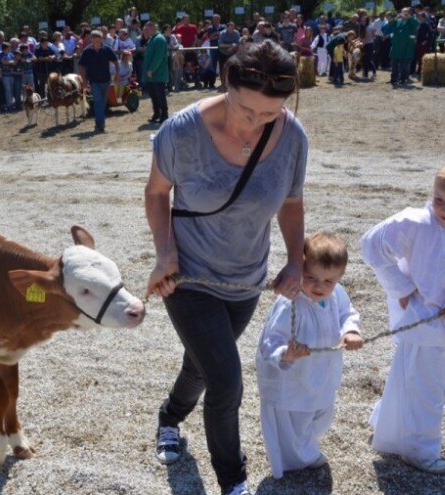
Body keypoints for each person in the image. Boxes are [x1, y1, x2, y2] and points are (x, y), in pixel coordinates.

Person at [145, 39, 307, 495]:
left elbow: (292, 203)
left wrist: (295, 261)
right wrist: (165, 253)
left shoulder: (293, 137)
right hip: (190, 277)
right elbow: (157, 193)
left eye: (269, 115)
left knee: (201, 366)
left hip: (246, 279)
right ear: (227, 82)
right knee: (227, 380)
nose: (255, 124)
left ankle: (169, 418)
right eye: (246, 110)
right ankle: (232, 480)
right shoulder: (180, 133)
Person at [361, 157, 445, 475]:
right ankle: (421, 448)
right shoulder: (416, 221)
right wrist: (402, 288)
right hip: (420, 320)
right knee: (426, 386)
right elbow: (371, 245)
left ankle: (389, 424)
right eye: (440, 200)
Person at [255, 232, 363, 479]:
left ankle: (306, 449)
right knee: (293, 422)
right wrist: (286, 353)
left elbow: (348, 313)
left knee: (321, 415)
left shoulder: (337, 295)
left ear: (339, 278)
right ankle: (297, 460)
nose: (319, 286)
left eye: (328, 281)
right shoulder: (289, 303)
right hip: (293, 376)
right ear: (299, 269)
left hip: (322, 373)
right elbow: (270, 341)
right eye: (311, 277)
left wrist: (351, 332)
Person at [78, 30, 119, 133]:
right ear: (91, 40)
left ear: (102, 39)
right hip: (94, 81)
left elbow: (115, 61)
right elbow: (81, 66)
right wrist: (84, 80)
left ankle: (98, 123)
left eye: (99, 40)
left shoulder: (106, 49)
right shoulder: (87, 51)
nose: (97, 43)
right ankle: (101, 124)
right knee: (97, 101)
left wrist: (118, 73)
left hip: (106, 80)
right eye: (95, 41)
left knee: (103, 102)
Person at [143, 21, 169, 123]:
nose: (146, 31)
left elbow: (158, 57)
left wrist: (151, 69)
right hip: (151, 75)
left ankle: (164, 115)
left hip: (158, 73)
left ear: (153, 28)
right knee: (153, 95)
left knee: (159, 94)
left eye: (147, 29)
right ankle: (157, 113)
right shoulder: (152, 39)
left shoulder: (159, 39)